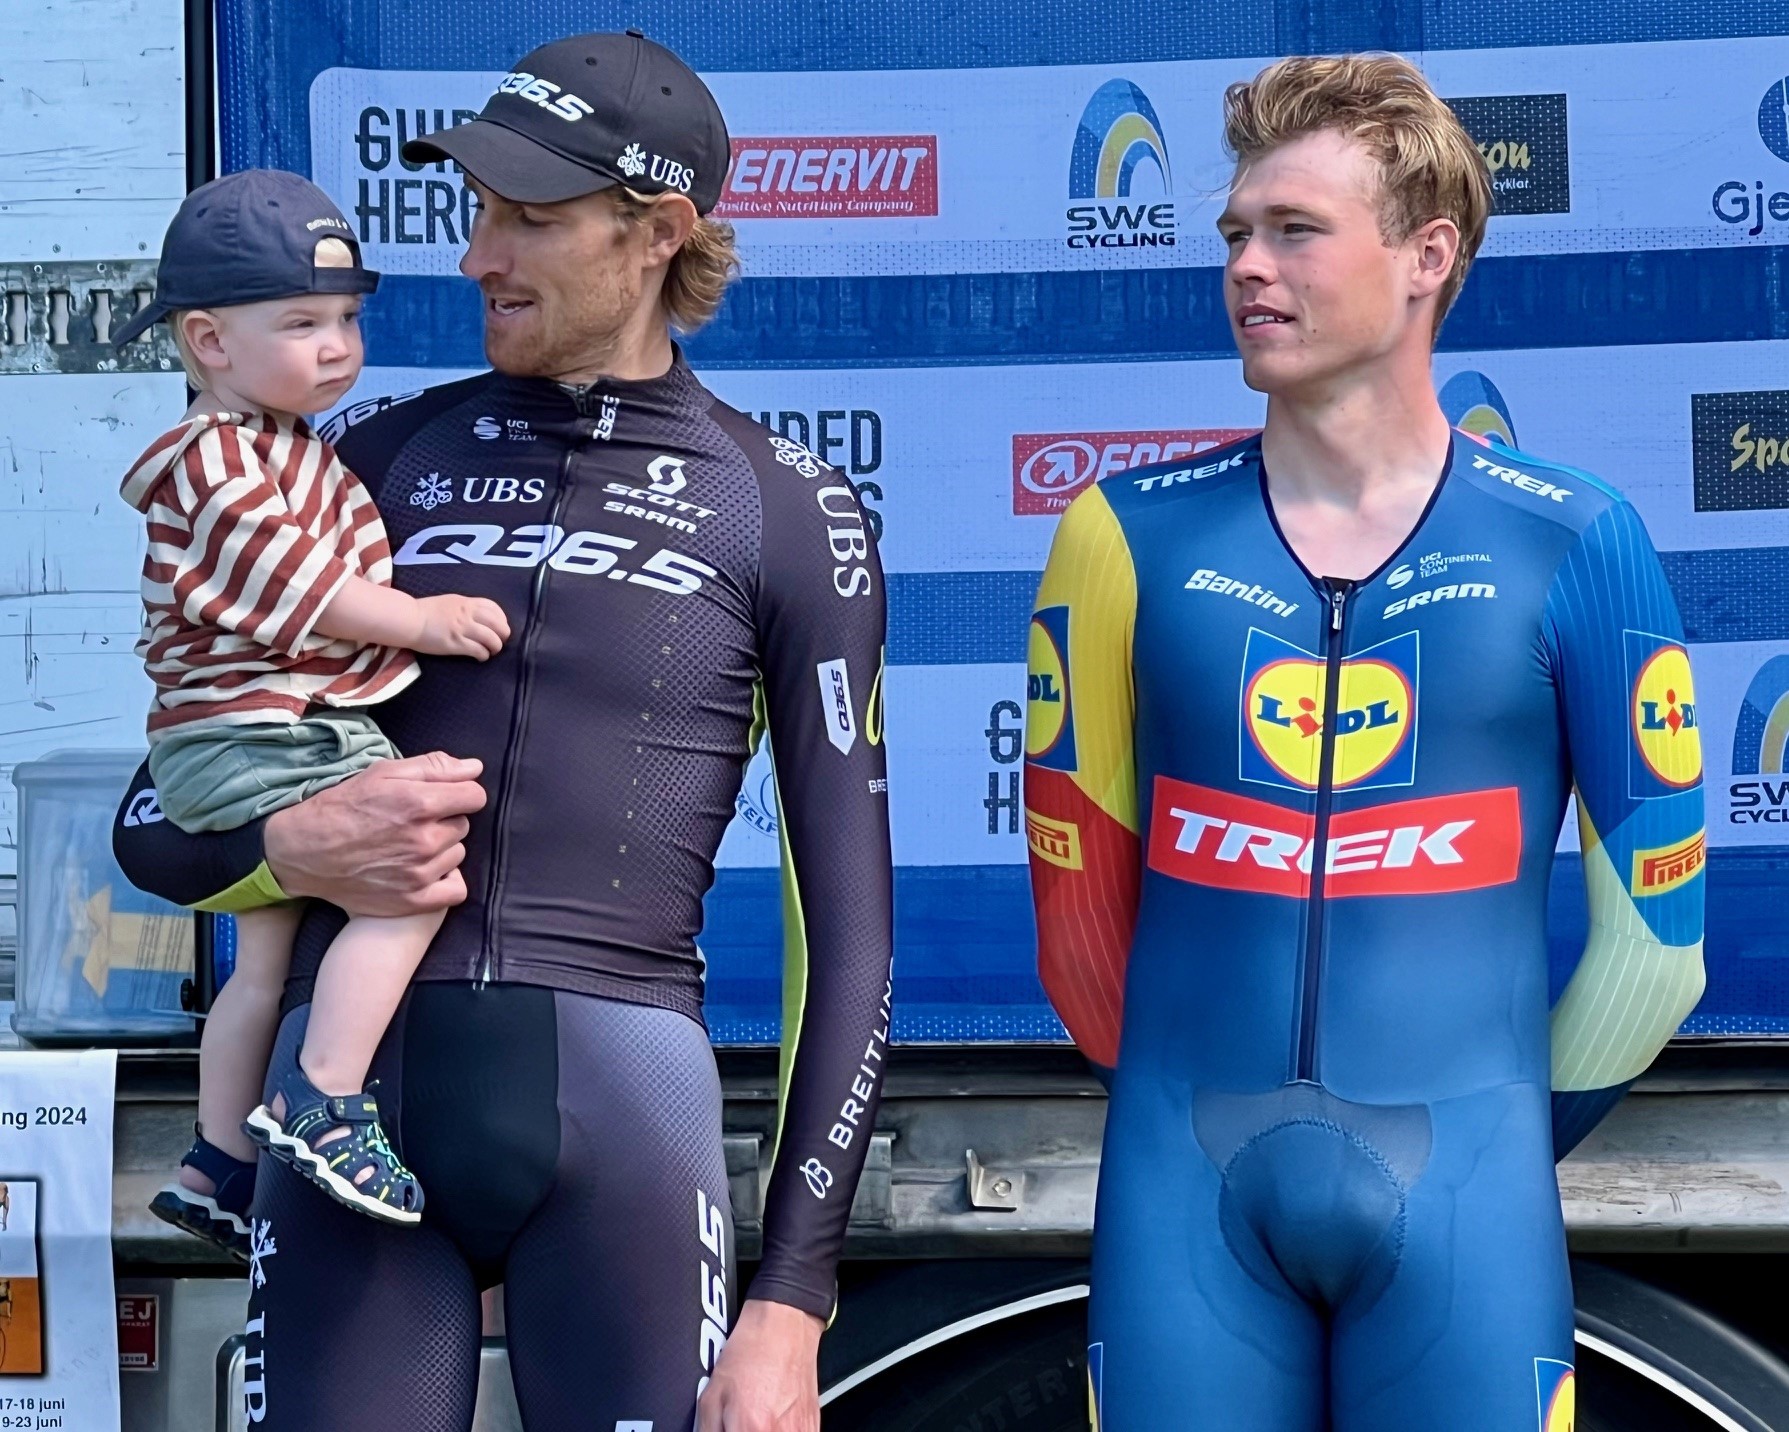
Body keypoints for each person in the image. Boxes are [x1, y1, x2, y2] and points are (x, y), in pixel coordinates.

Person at [114, 30, 894, 1432]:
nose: (479, 255)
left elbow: (847, 939)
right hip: (350, 1116)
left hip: (623, 1112)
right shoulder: (367, 461)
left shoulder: (781, 504)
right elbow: (152, 821)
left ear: (658, 233)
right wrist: (293, 843)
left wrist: (791, 1298)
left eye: (528, 218)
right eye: (477, 211)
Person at [1024, 53, 1705, 1430]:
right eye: (1235, 232)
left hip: (1465, 1198)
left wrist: (1491, 1133)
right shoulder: (1120, 536)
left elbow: (1657, 946)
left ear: (1425, 257)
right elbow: (1078, 926)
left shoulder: (1574, 539)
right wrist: (1173, 1101)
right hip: (1182, 1192)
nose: (1246, 267)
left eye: (1295, 230)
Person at [122, 171, 512, 1256]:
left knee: (259, 963)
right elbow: (302, 588)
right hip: (263, 732)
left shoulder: (287, 442)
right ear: (208, 341)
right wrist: (424, 622)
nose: (338, 346)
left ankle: (214, 1165)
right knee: (409, 885)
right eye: (301, 323)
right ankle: (324, 1097)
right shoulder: (213, 457)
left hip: (249, 733)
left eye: (346, 318)